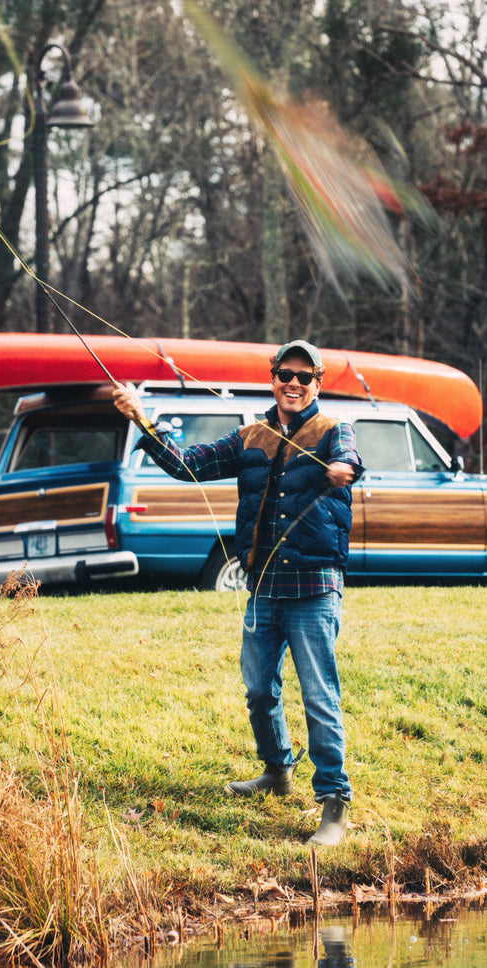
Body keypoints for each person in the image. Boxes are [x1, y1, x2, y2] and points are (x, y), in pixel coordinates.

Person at [112, 340, 362, 847]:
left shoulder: (336, 431)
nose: (293, 384)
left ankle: (333, 804)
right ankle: (277, 772)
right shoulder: (251, 436)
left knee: (318, 696)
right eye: (284, 374)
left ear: (317, 383)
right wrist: (142, 420)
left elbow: (351, 461)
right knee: (258, 689)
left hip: (315, 587)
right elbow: (187, 465)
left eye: (304, 377)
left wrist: (344, 471)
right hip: (263, 587)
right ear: (272, 378)